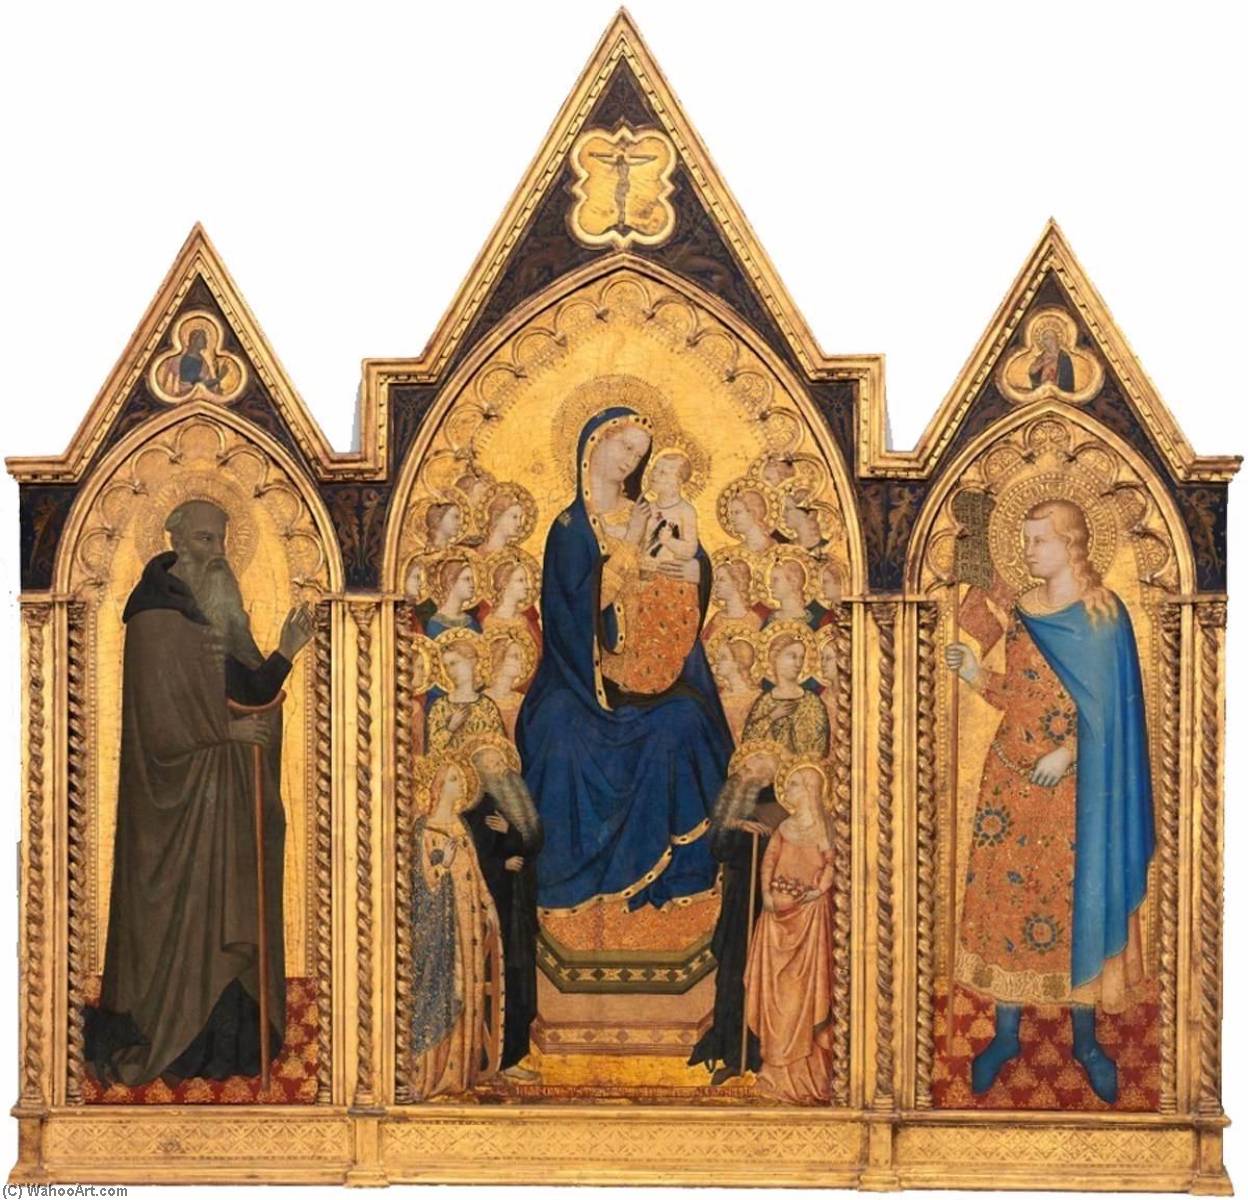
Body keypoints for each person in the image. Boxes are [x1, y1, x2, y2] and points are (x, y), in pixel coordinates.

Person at [85, 500, 314, 1087]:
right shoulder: (154, 619)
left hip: (227, 802)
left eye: (221, 541)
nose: (216, 553)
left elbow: (247, 690)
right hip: (175, 804)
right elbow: (157, 722)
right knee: (186, 915)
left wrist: (285, 652)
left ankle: (233, 1044)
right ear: (176, 540)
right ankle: (173, 1043)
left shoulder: (218, 612)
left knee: (229, 903)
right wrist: (227, 733)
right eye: (206, 540)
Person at [944, 498, 1155, 1103]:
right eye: (1026, 539)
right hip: (1010, 782)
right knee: (1009, 901)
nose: (1029, 551)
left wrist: (1069, 752)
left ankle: (1084, 1041)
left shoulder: (1102, 616)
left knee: (1076, 900)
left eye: (1039, 540)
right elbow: (1018, 693)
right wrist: (974, 674)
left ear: (1071, 544)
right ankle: (1006, 1034)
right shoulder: (1023, 611)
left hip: (1078, 791)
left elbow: (1116, 715)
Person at [517, 407, 734, 911]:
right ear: (595, 442)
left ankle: (680, 882)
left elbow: (691, 563)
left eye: (640, 454)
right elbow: (573, 610)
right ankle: (566, 886)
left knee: (687, 720)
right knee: (557, 730)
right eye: (625, 446)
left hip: (652, 675)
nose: (630, 461)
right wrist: (631, 548)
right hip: (579, 681)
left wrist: (693, 569)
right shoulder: (570, 527)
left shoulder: (651, 511)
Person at [688, 741, 790, 1084]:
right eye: (742, 766)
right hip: (739, 902)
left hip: (770, 903)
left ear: (770, 769)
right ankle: (733, 1051)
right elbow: (719, 849)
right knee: (734, 973)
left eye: (750, 765)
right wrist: (736, 824)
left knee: (764, 976)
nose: (743, 771)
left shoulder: (781, 805)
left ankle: (763, 1053)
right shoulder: (739, 800)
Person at [409, 756, 503, 1098]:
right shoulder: (424, 829)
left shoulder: (461, 826)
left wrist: (488, 903)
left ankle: (461, 1078)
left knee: (469, 989)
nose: (459, 784)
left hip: (469, 923)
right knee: (448, 990)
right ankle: (434, 1078)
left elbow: (475, 870)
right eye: (451, 779)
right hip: (441, 929)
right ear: (436, 786)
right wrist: (443, 865)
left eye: (461, 779)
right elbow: (420, 886)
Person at [744, 758, 837, 1103]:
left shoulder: (824, 831)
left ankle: (807, 1078)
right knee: (776, 996)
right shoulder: (784, 828)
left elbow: (832, 864)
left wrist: (818, 890)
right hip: (776, 921)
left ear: (812, 790)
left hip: (809, 921)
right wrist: (767, 894)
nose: (789, 791)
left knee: (803, 996)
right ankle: (774, 1075)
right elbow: (768, 862)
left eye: (796, 784)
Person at [459, 734, 545, 1083]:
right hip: (495, 910)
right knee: (499, 980)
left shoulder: (516, 800)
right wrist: (501, 864)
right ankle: (497, 1060)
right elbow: (471, 860)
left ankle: (515, 1055)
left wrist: (512, 832)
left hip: (519, 906)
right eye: (492, 764)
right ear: (478, 772)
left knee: (521, 983)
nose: (502, 769)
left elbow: (533, 842)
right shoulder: (475, 810)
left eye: (502, 761)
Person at [599, 447, 702, 695]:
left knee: (662, 635)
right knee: (641, 632)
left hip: (671, 585)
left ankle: (652, 682)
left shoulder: (685, 511)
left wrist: (669, 542)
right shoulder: (648, 508)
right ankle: (634, 679)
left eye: (664, 472)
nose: (655, 475)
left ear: (679, 481)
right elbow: (635, 535)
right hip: (644, 580)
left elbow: (690, 549)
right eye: (655, 469)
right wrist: (605, 528)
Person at [740, 625, 829, 755]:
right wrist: (772, 717)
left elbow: (819, 747)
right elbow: (748, 744)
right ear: (775, 658)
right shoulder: (765, 702)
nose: (798, 664)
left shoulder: (812, 702)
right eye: (792, 656)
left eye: (801, 657)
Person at [426, 632, 506, 752]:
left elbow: (500, 747)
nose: (450, 671)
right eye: (446, 666)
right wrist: (450, 727)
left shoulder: (486, 705)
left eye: (454, 663)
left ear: (471, 661)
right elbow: (433, 748)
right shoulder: (440, 706)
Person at [707, 630, 761, 744]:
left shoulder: (756, 697)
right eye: (718, 657)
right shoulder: (719, 698)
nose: (717, 662)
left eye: (723, 658)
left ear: (738, 663)